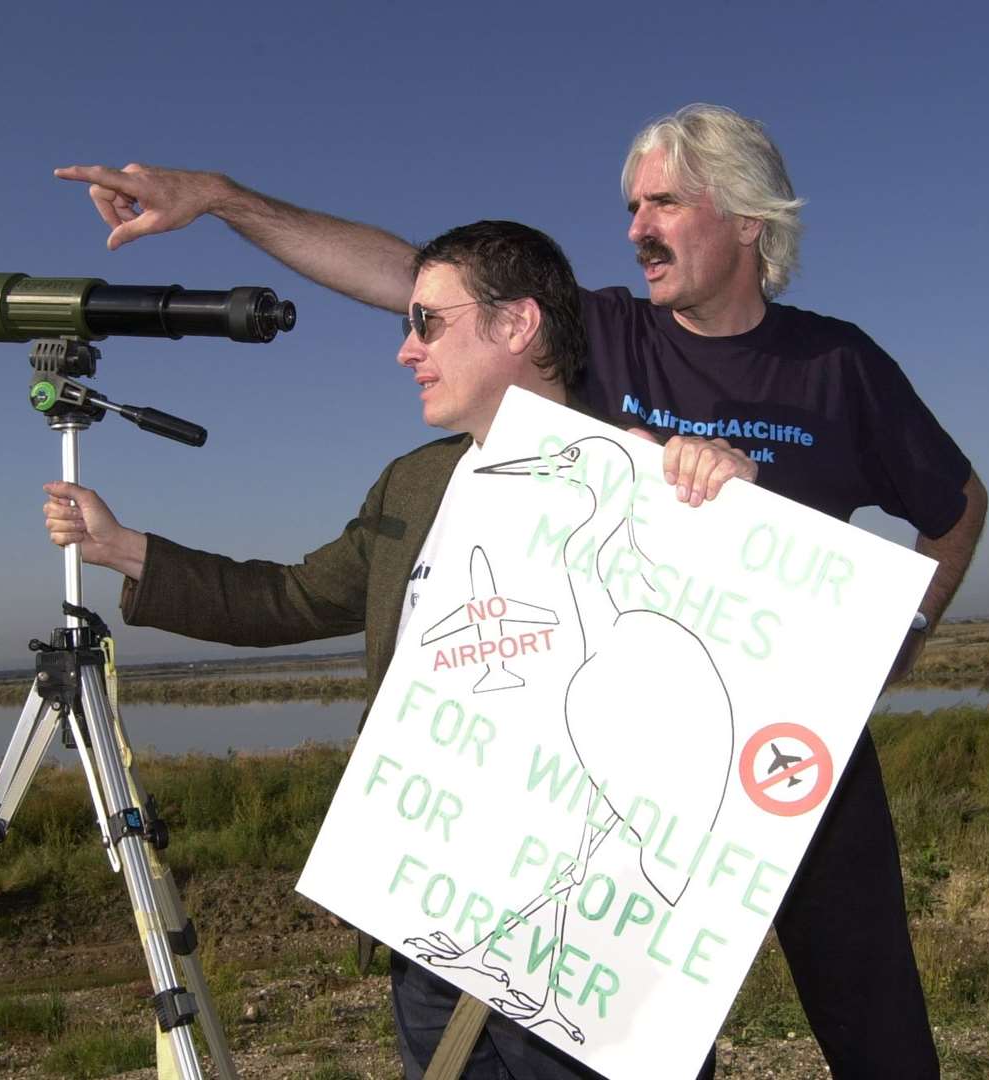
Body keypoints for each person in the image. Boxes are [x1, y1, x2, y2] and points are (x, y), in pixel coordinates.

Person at [55, 103, 986, 1077]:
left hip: (792, 762)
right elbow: (410, 280)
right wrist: (218, 199)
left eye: (662, 201)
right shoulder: (611, 336)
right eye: (629, 204)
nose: (634, 227)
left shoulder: (839, 367)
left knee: (875, 1027)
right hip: (625, 761)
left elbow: (952, 507)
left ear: (746, 218)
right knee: (636, 1026)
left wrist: (908, 632)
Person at [44, 220, 729, 1080]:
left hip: (600, 961)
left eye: (427, 323)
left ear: (518, 326)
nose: (406, 351)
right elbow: (291, 596)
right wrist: (126, 549)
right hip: (434, 933)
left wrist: (727, 502)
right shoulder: (413, 483)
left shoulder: (656, 482)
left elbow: (754, 645)